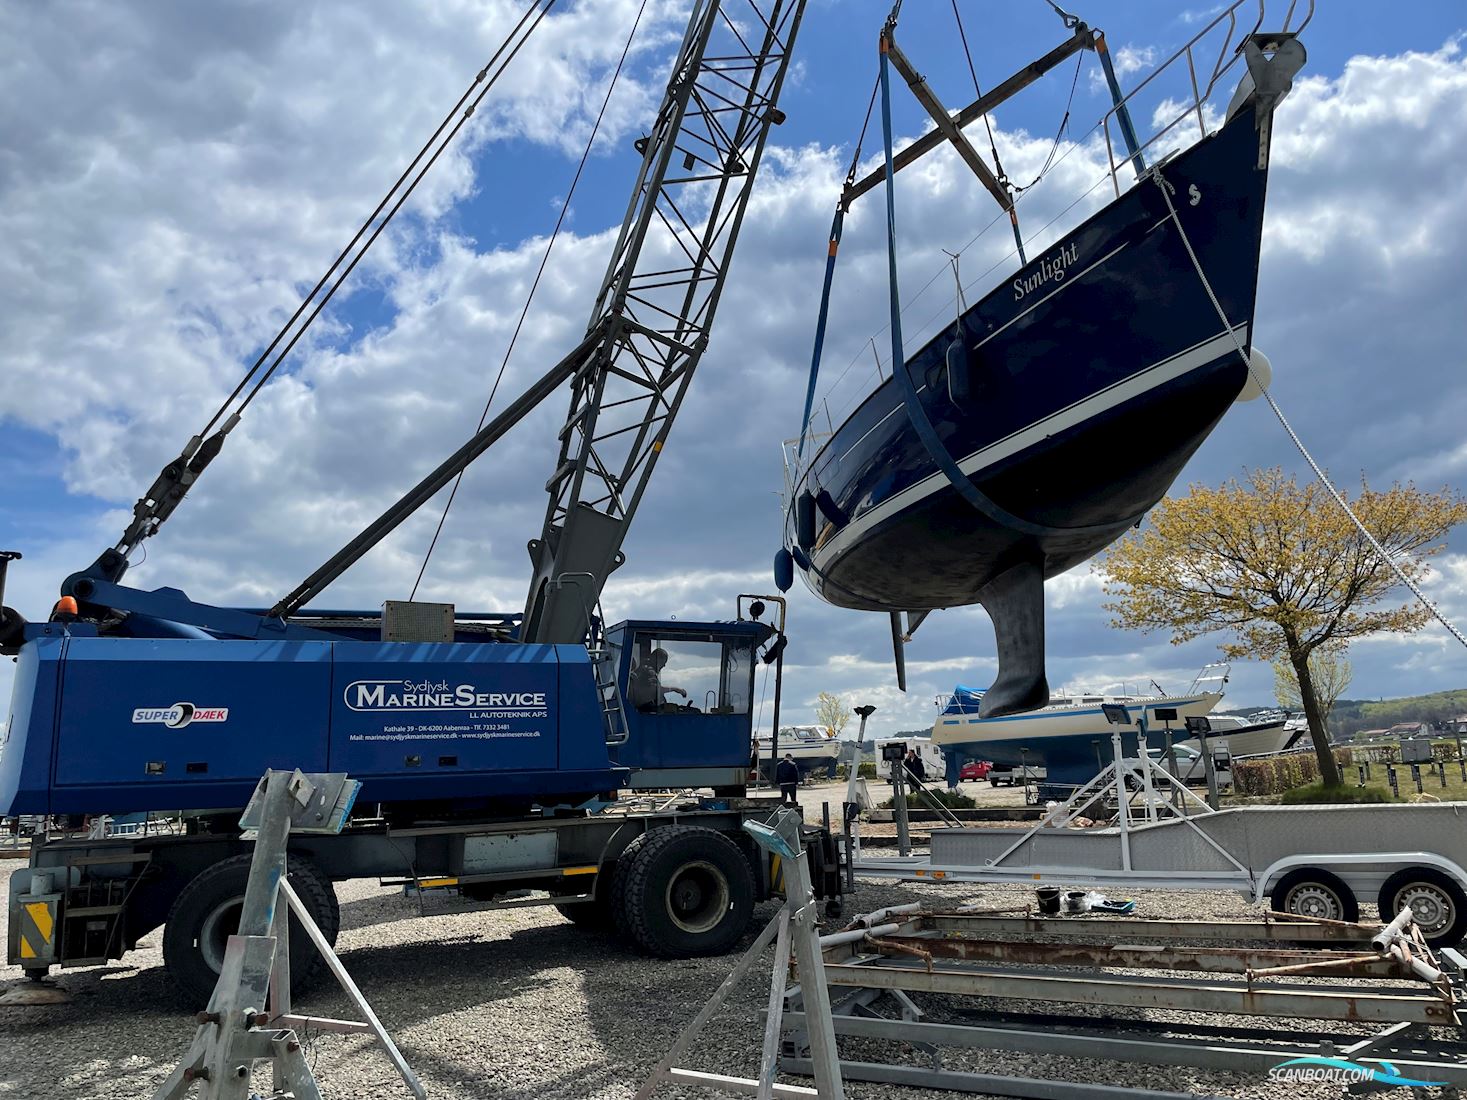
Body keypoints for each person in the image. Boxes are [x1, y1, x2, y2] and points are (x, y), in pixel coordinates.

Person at [627, 647, 688, 712]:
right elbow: (655, 690)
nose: (664, 665)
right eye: (664, 661)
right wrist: (675, 689)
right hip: (647, 712)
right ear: (657, 659)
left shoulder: (645, 669)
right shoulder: (647, 671)